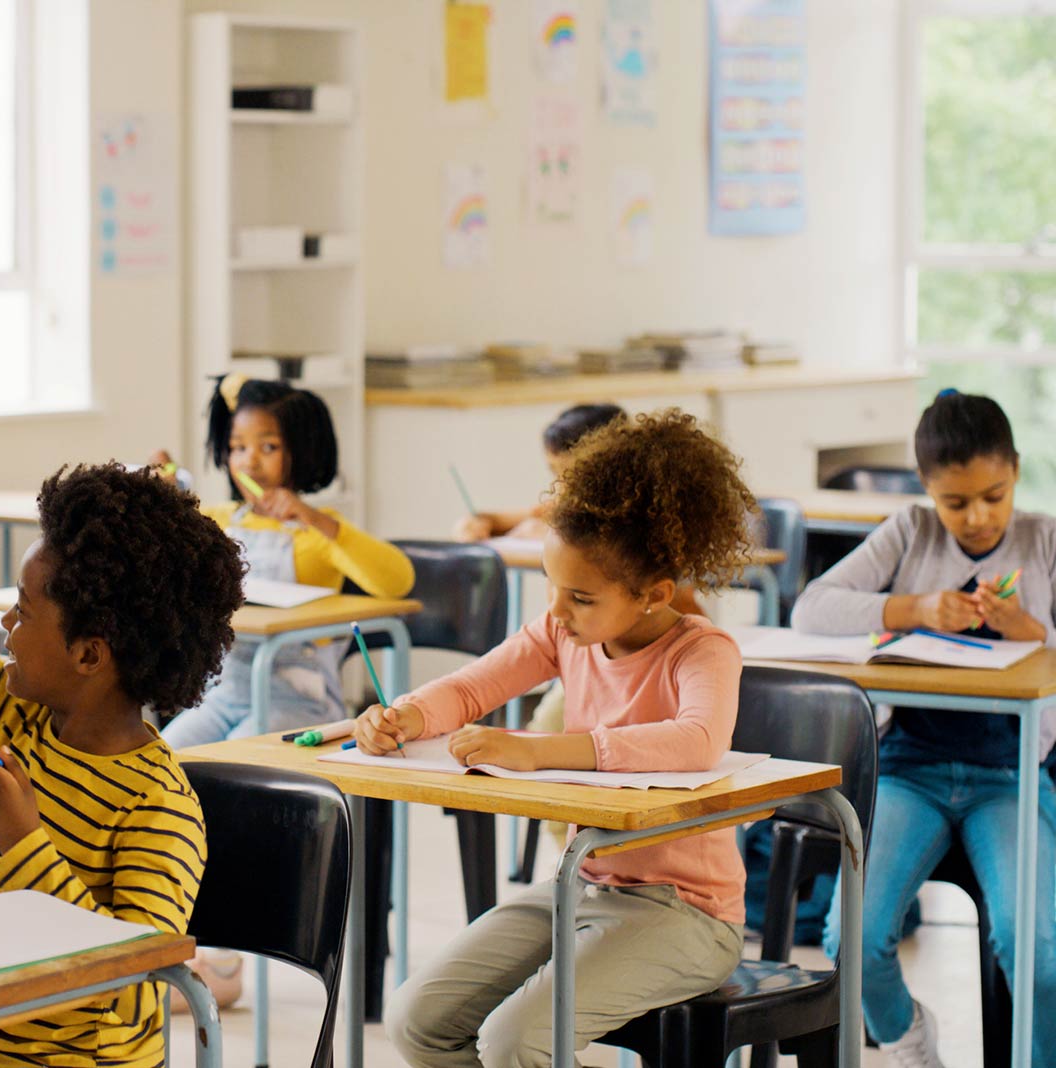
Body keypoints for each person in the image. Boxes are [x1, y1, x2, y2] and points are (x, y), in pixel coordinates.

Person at [357, 409, 758, 1066]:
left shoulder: (702, 651)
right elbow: (468, 689)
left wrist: (538, 752)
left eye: (580, 597)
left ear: (655, 594)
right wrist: (404, 715)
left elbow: (696, 742)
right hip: (584, 889)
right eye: (552, 587)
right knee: (415, 1020)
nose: (556, 611)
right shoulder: (561, 634)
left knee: (517, 1039)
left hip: (688, 915)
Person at [0, 421, 245, 1068]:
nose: (5, 623)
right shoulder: (11, 709)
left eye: (23, 610)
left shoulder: (158, 808)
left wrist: (24, 845)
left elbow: (136, 995)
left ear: (89, 654)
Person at [792, 389, 1056, 1068]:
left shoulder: (1044, 538)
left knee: (1038, 954)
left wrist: (1034, 632)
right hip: (911, 766)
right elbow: (812, 609)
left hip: (1011, 774)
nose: (976, 517)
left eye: (993, 496)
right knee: (854, 938)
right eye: (955, 502)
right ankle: (911, 1041)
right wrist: (912, 608)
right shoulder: (910, 530)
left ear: (1017, 472)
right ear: (927, 491)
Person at [153, 374, 414, 750]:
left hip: (300, 702)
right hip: (225, 694)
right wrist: (163, 490)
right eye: (238, 448)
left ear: (300, 452)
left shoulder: (315, 531)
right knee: (167, 756)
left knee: (236, 761)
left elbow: (398, 580)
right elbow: (164, 535)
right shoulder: (221, 520)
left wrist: (316, 519)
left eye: (269, 447)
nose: (250, 462)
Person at [451, 402, 626, 542]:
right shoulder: (565, 506)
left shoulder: (632, 516)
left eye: (574, 476)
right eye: (555, 472)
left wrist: (553, 535)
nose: (560, 487)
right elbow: (507, 519)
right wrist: (478, 522)